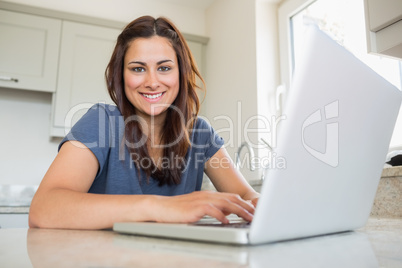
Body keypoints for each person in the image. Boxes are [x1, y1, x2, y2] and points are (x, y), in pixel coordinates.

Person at [29, 15, 259, 230]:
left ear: (181, 73)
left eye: (164, 68)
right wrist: (157, 207)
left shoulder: (200, 132)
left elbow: (246, 197)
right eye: (138, 69)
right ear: (121, 76)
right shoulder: (101, 122)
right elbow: (43, 209)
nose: (152, 82)